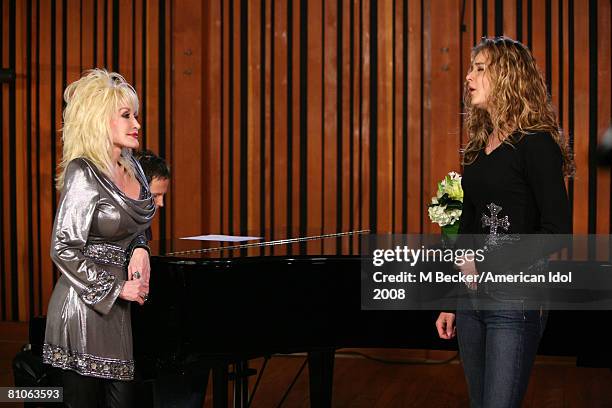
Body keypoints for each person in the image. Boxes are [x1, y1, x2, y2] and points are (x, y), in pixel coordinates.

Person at [435, 37, 573, 407]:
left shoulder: (537, 144)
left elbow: (557, 232)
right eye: (470, 68)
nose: (468, 77)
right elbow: (467, 228)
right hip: (472, 302)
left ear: (508, 76)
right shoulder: (479, 146)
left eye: (479, 69)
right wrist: (453, 297)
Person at [43, 69, 156, 407]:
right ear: (99, 120)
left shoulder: (133, 166)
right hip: (83, 308)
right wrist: (117, 287)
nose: (136, 123)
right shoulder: (83, 171)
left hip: (118, 313)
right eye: (125, 115)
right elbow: (62, 247)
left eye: (134, 114)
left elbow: (135, 228)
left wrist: (140, 248)